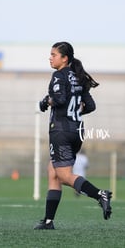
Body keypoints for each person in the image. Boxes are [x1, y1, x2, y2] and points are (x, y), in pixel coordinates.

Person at [34, 42, 112, 230]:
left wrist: (46, 101)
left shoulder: (58, 75)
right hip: (76, 131)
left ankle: (100, 194)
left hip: (60, 131)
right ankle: (48, 221)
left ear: (65, 58)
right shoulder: (78, 76)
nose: (50, 57)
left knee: (64, 175)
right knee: (53, 171)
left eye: (54, 55)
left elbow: (59, 100)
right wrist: (73, 112)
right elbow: (90, 106)